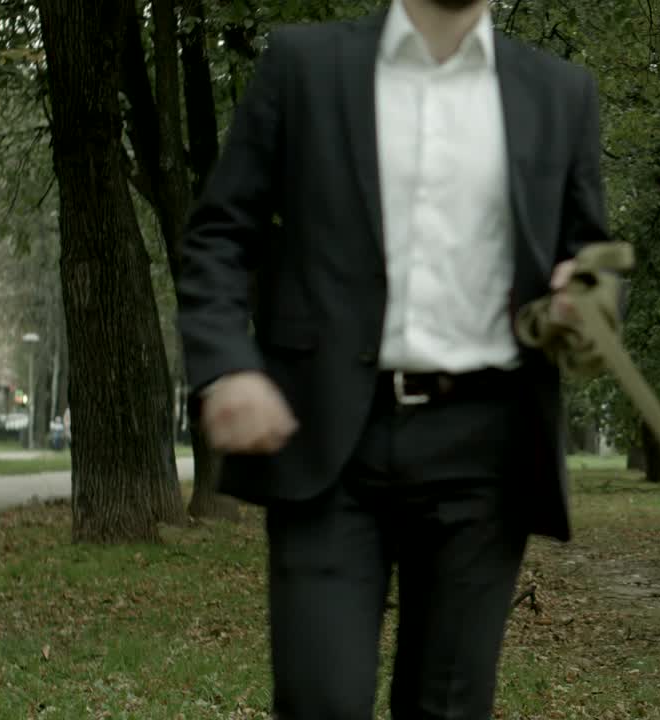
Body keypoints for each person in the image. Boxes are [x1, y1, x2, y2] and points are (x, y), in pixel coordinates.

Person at [174, 0, 609, 717]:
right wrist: (228, 365)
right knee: (323, 701)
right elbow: (218, 234)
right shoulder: (305, 67)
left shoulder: (559, 92)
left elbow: (591, 257)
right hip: (327, 441)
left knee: (447, 706)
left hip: (487, 450)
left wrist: (585, 298)